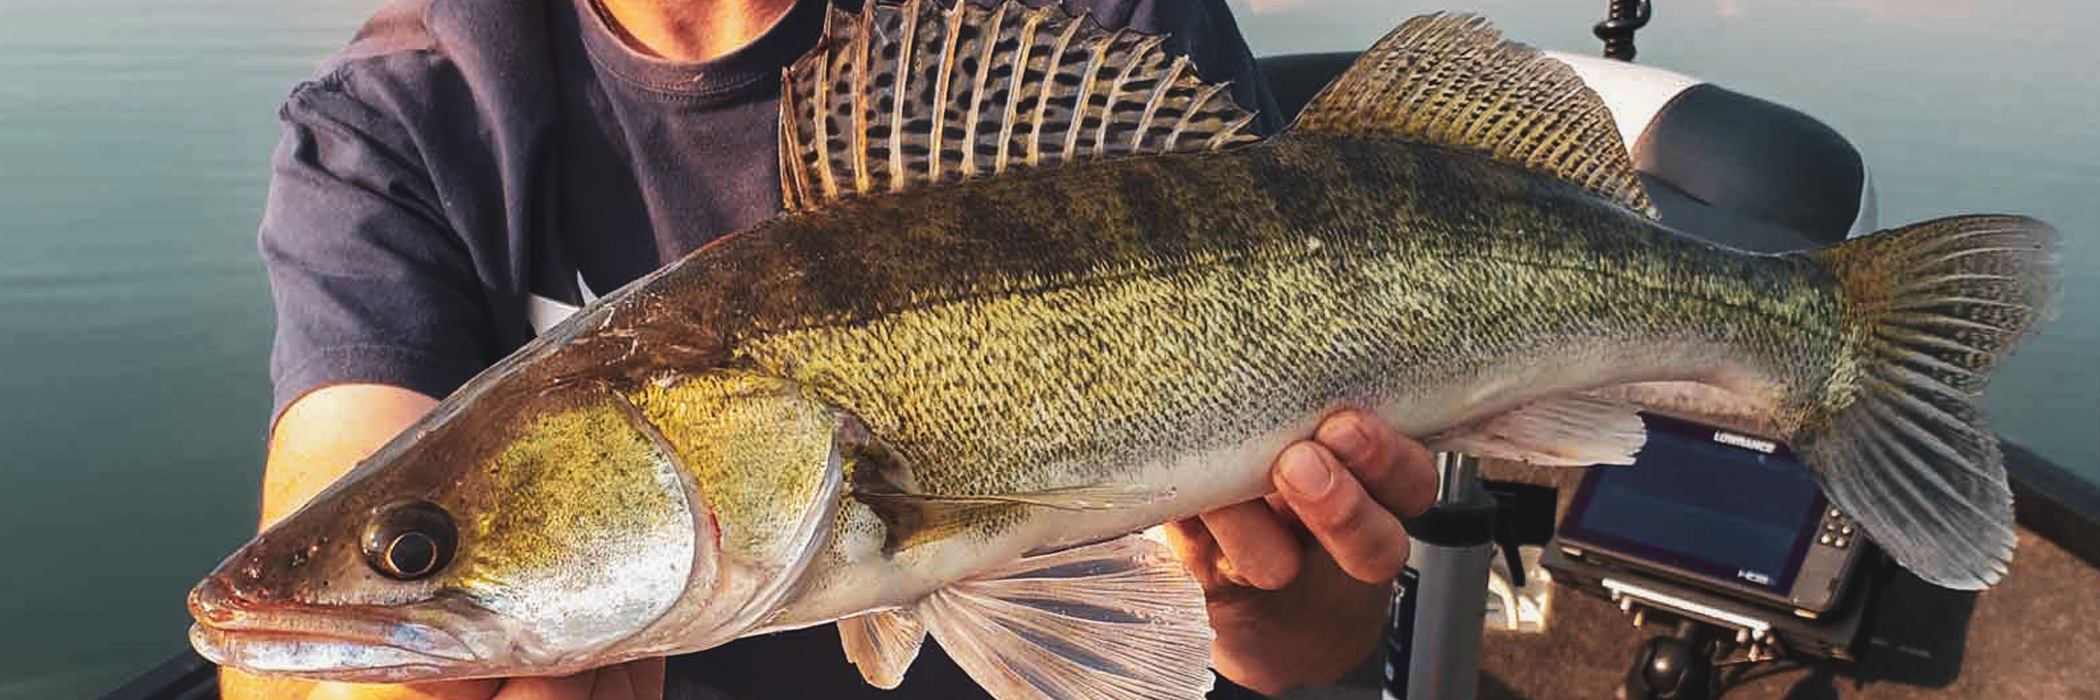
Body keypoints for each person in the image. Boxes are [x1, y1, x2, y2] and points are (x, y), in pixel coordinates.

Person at [231, 0, 1441, 698]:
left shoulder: (1069, 22)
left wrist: (1277, 594)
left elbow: (1307, 645)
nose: (415, 555)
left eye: (416, 547)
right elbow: (301, 644)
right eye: (418, 547)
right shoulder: (397, 122)